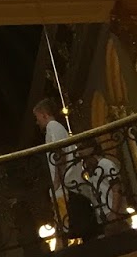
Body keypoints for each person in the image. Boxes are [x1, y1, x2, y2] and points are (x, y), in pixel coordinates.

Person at [33, 99, 97, 242]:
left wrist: (57, 180)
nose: (37, 122)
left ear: (44, 114)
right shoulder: (56, 128)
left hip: (65, 185)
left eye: (37, 117)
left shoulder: (53, 127)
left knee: (67, 223)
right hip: (66, 184)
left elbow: (59, 154)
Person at [81, 141, 126, 227]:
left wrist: (114, 212)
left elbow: (116, 188)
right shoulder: (89, 169)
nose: (79, 152)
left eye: (82, 148)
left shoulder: (105, 163)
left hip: (113, 211)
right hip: (103, 214)